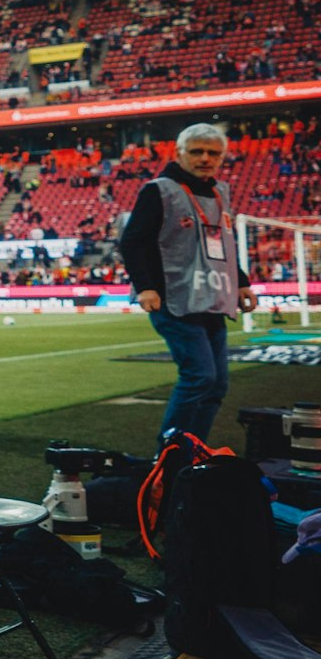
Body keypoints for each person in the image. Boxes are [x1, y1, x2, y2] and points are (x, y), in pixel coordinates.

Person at [118, 122, 257, 444]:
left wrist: (242, 282)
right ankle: (171, 452)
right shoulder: (159, 190)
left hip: (213, 295)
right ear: (179, 154)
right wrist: (146, 286)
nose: (205, 158)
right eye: (197, 152)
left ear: (223, 157)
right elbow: (133, 242)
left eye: (213, 153)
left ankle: (193, 450)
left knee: (217, 384)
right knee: (200, 376)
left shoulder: (220, 192)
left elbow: (224, 242)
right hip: (174, 297)